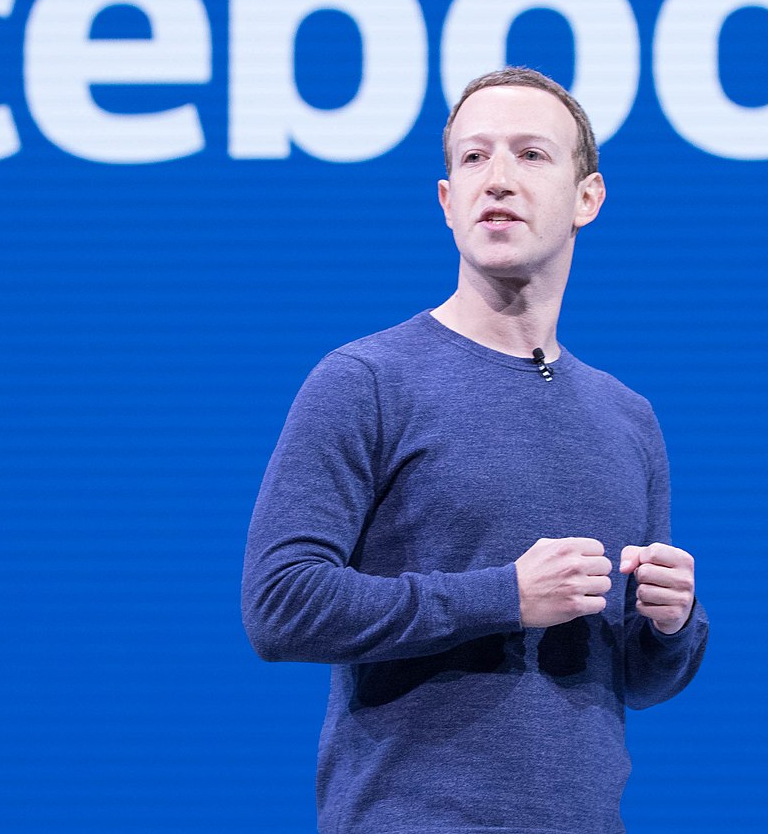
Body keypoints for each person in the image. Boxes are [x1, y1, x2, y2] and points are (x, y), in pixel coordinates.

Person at [241, 67, 708, 834]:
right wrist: (505, 597)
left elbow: (635, 680)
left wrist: (670, 625)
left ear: (587, 197)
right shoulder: (366, 382)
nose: (498, 179)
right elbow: (280, 605)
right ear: (446, 201)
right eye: (473, 159)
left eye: (530, 155)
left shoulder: (629, 420)